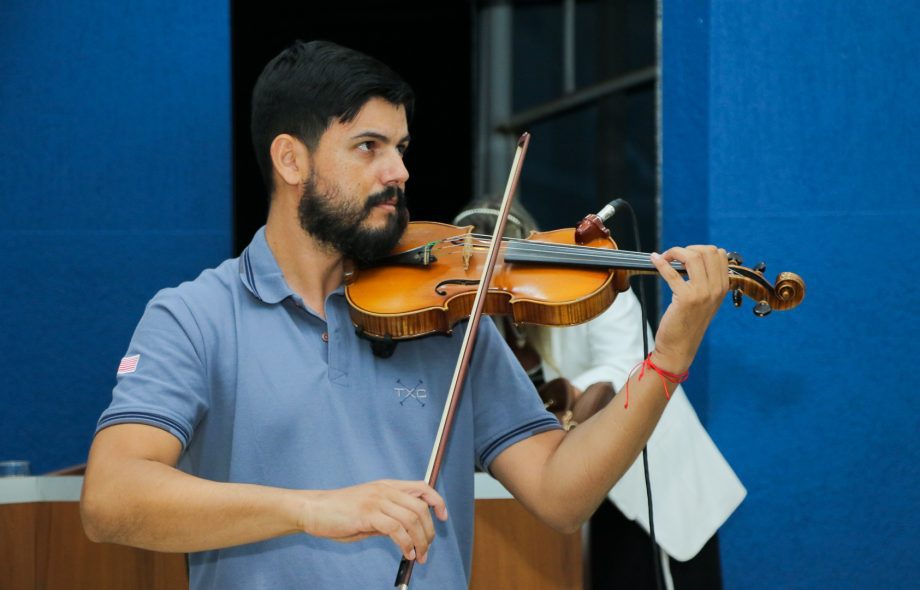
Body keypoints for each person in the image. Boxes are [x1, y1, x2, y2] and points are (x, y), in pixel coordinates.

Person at [80, 40, 731, 589]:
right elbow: (111, 500)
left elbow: (563, 494)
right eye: (368, 146)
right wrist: (312, 510)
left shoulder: (446, 315)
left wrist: (667, 359)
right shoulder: (196, 316)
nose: (398, 170)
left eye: (401, 146)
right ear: (290, 159)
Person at [453, 198, 747, 589]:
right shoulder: (484, 320)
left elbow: (620, 375)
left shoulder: (595, 285)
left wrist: (567, 403)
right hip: (584, 494)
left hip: (650, 489)